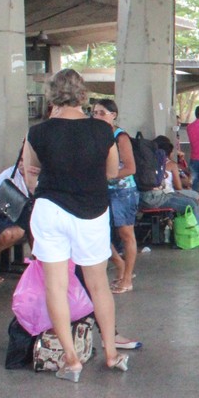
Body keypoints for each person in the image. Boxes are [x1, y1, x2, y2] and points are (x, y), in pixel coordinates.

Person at [22, 68, 127, 381]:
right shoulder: (102, 130)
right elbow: (111, 172)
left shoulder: (37, 132)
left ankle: (71, 360)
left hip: (50, 208)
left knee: (55, 284)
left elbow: (30, 173)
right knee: (97, 284)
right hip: (92, 211)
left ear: (52, 96)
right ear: (83, 95)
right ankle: (110, 353)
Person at [92, 100, 138, 294]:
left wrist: (107, 175)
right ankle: (119, 264)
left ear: (113, 115)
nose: (97, 116)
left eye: (102, 113)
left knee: (126, 234)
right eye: (94, 112)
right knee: (99, 232)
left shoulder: (120, 137)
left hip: (123, 191)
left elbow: (130, 168)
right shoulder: (94, 135)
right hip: (102, 190)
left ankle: (127, 278)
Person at [142, 136, 199, 246]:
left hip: (160, 195)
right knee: (192, 200)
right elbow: (178, 186)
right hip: (161, 196)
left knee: (193, 202)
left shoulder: (149, 162)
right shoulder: (162, 164)